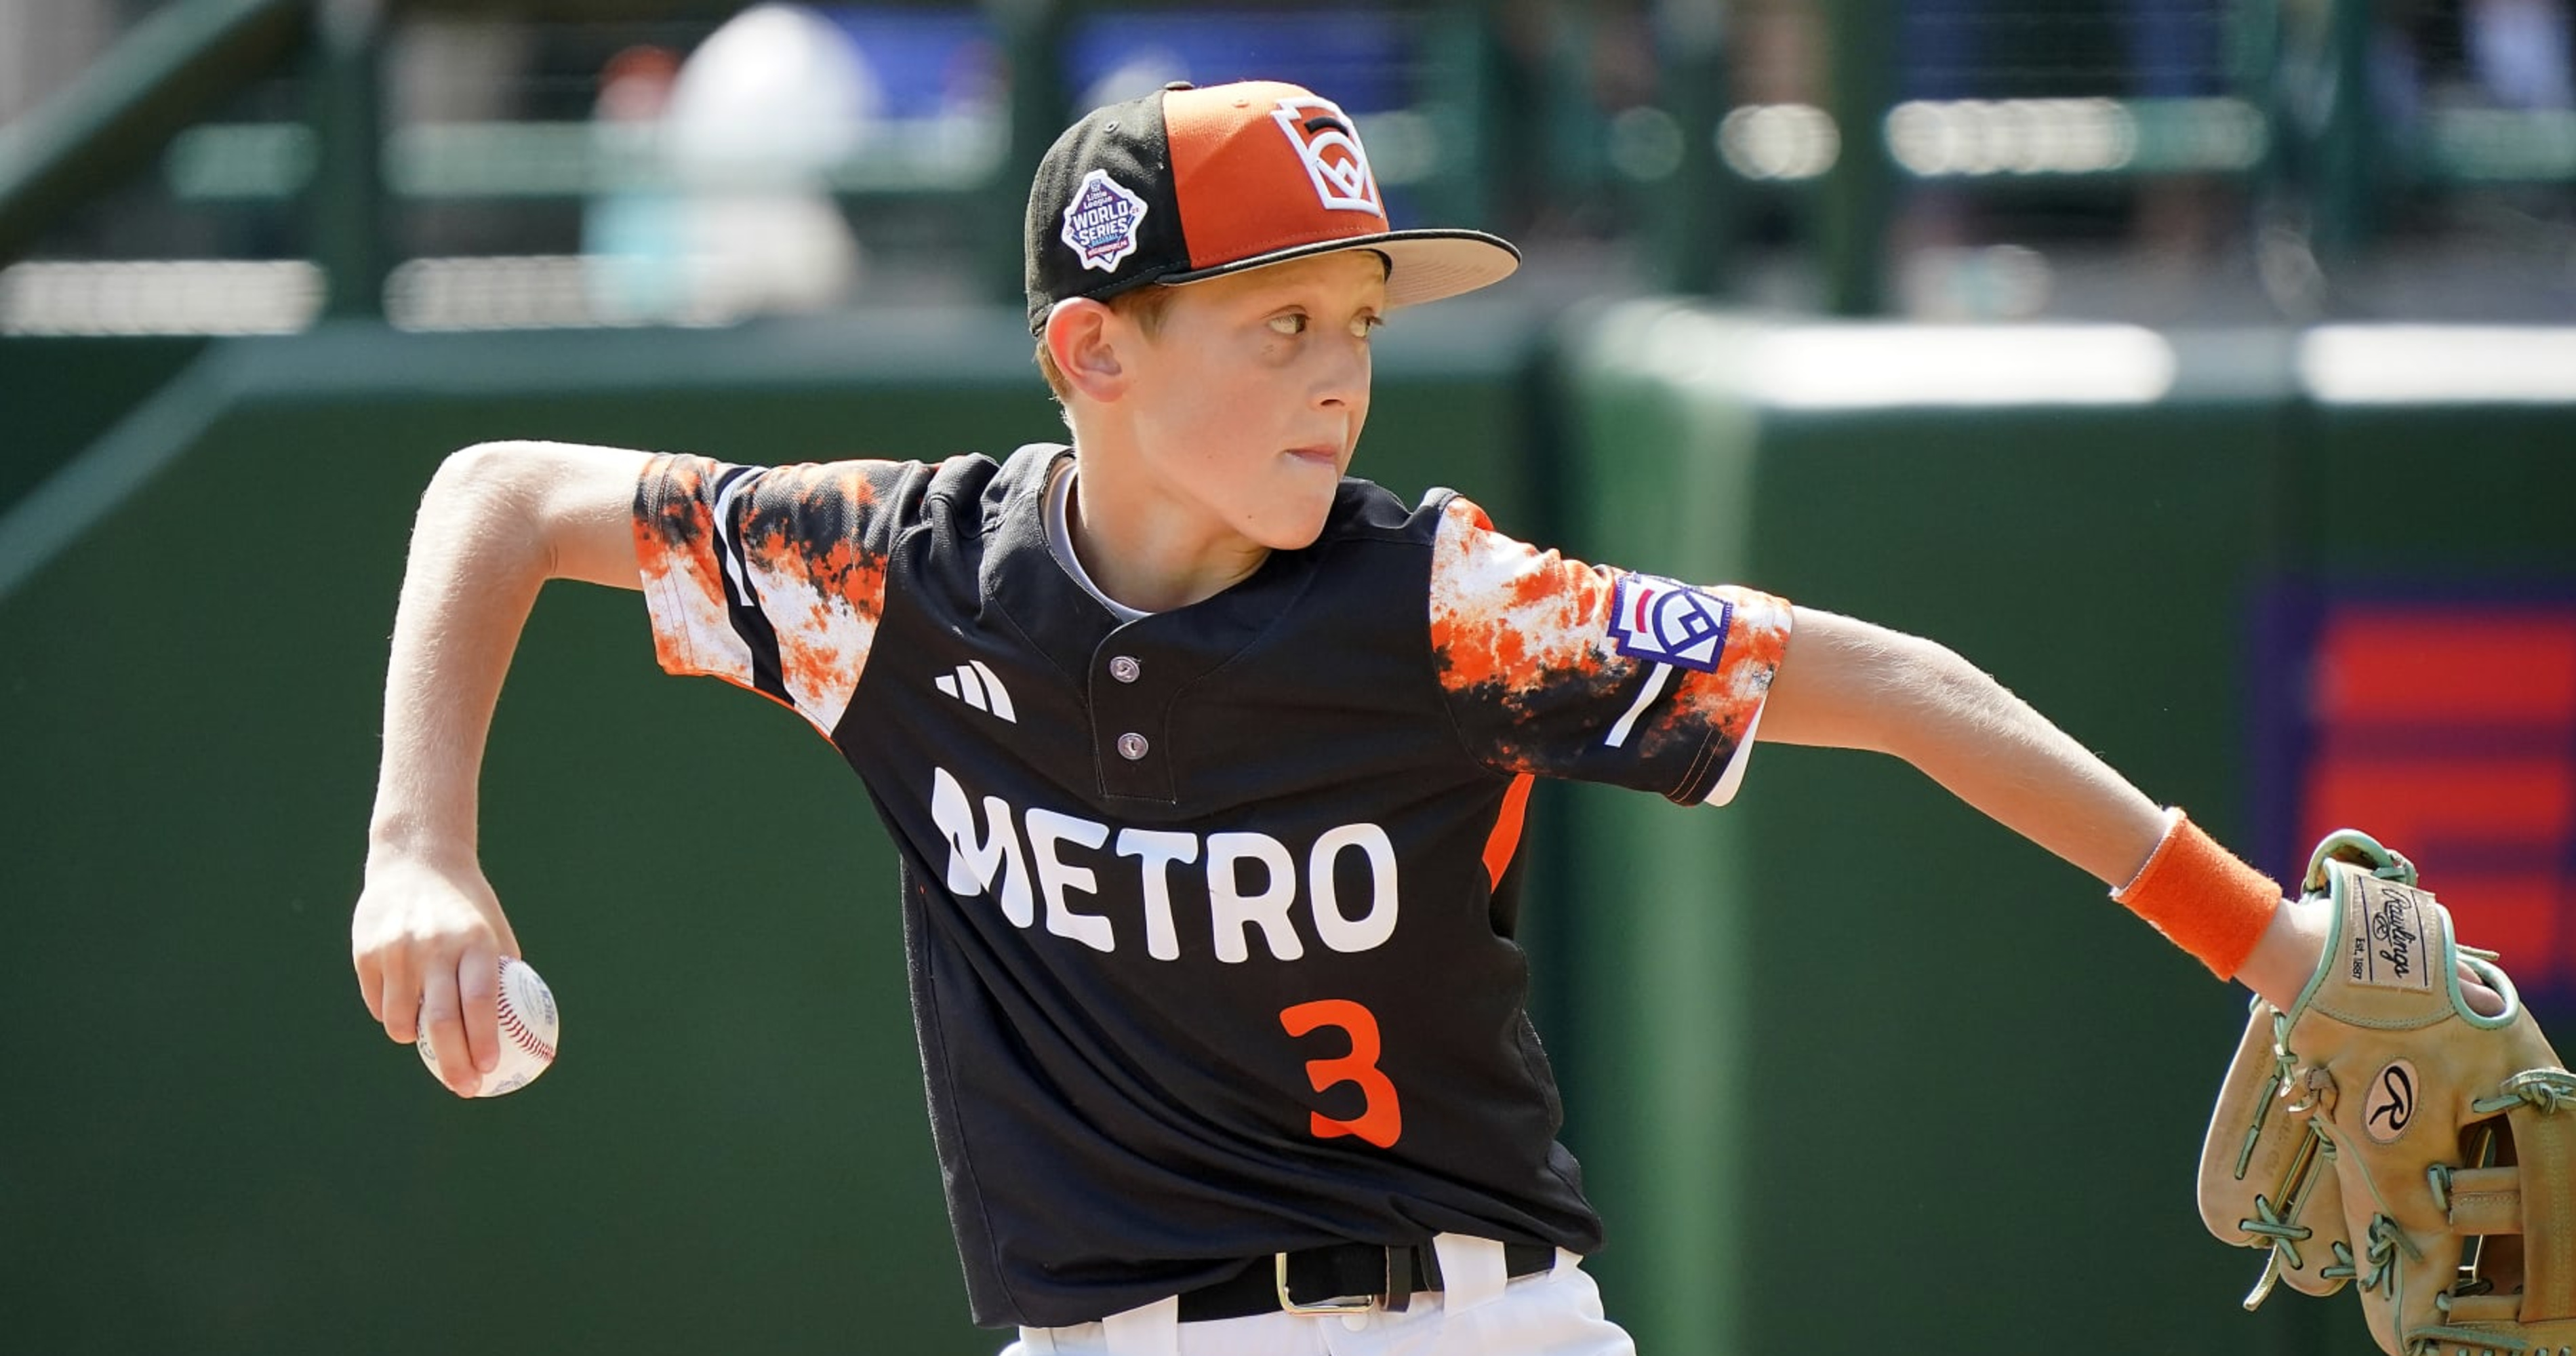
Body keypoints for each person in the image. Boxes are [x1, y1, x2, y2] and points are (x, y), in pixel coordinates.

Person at [348, 79, 2482, 1356]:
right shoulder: (890, 580)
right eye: (1278, 324)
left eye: (1358, 322)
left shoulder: (1444, 607)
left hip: (1481, 1322)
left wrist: (2274, 945)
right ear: (1091, 352)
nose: (1340, 375)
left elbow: (1903, 689)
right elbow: (499, 499)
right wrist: (418, 844)